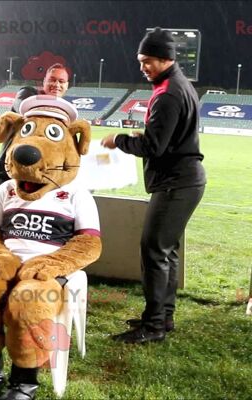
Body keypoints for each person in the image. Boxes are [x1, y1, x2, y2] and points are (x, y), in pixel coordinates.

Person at [101, 27, 206, 344]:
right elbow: (165, 140)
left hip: (177, 183)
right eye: (140, 61)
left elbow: (155, 147)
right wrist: (140, 138)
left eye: (148, 61)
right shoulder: (175, 85)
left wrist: (118, 140)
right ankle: (162, 317)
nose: (143, 67)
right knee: (166, 251)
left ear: (165, 59)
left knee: (153, 250)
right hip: (183, 180)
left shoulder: (169, 92)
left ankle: (154, 325)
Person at [0, 63, 70, 187]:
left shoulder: (64, 112)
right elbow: (23, 108)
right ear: (44, 81)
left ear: (67, 85)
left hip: (36, 179)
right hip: (9, 176)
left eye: (61, 81)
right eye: (52, 80)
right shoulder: (27, 93)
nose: (56, 85)